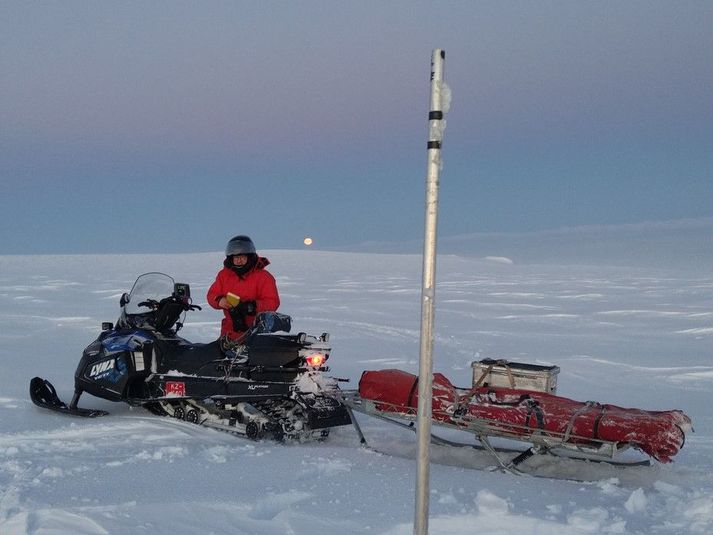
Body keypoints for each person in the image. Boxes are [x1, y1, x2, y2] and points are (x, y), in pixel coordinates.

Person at [207, 235, 280, 342]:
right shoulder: (224, 275)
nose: (239, 261)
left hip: (256, 333)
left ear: (249, 257)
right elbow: (212, 294)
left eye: (242, 257)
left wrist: (252, 306)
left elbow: (272, 302)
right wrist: (219, 300)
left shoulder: (264, 277)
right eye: (236, 258)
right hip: (229, 333)